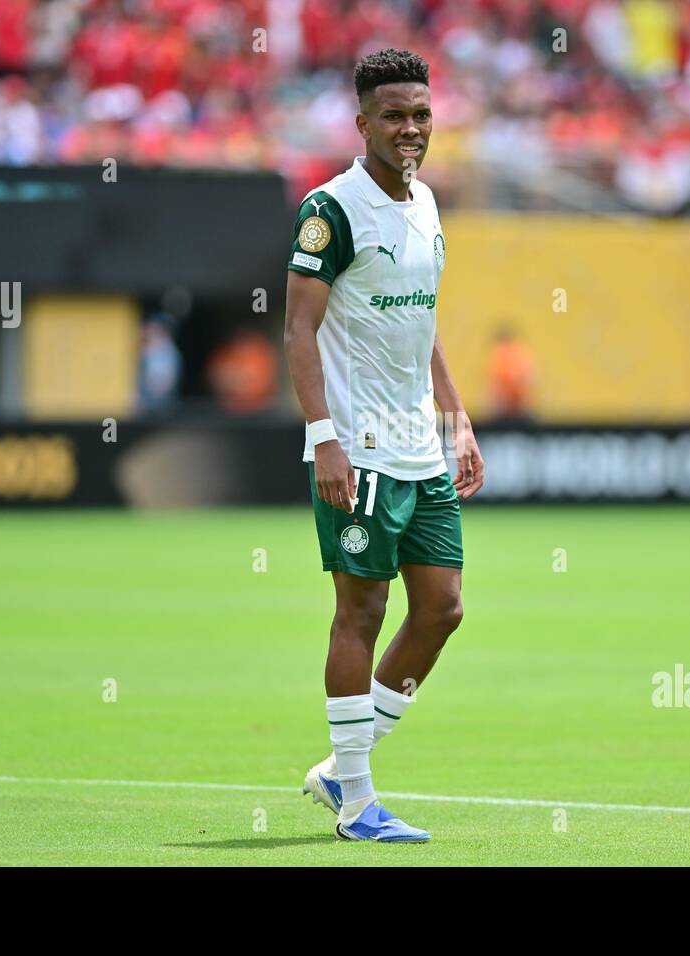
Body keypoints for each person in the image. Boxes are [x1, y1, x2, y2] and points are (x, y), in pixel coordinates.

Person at [282, 48, 484, 844]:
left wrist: (456, 416)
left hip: (418, 449)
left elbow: (419, 323)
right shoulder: (329, 210)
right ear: (361, 121)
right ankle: (360, 803)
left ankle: (341, 770)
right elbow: (299, 328)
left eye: (421, 114)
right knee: (360, 611)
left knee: (442, 608)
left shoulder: (427, 205)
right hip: (357, 448)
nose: (411, 128)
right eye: (394, 115)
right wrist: (322, 438)